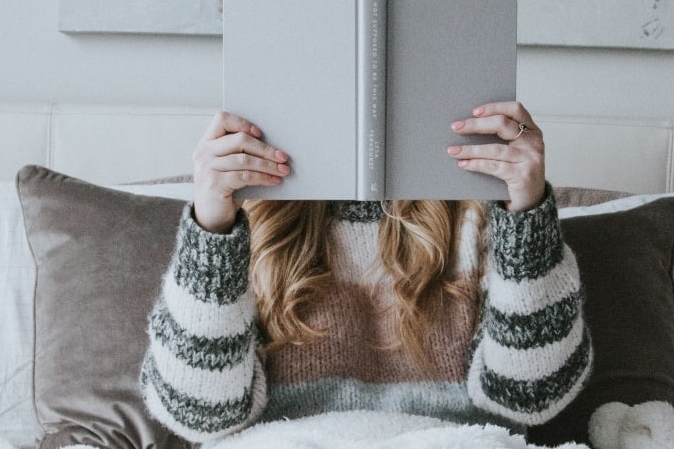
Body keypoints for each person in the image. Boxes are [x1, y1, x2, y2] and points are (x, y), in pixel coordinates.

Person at [140, 101, 592, 444]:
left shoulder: (483, 218)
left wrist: (528, 215)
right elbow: (197, 411)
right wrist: (212, 229)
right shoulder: (251, 225)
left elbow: (533, 394)